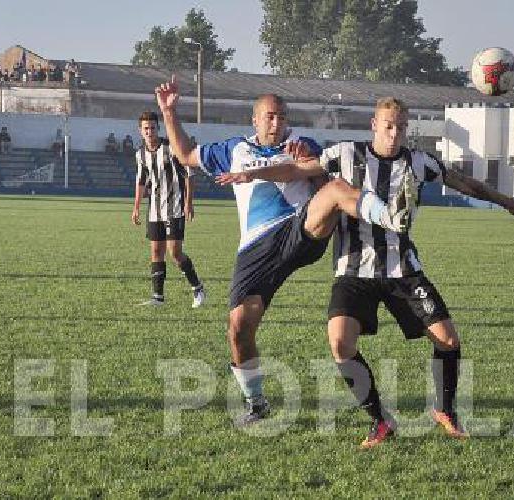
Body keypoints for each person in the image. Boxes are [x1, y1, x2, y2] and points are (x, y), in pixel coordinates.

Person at [218, 97, 514, 448]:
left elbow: (462, 182)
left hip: (403, 270)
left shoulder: (419, 162)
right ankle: (380, 421)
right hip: (353, 271)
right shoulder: (345, 154)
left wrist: (507, 201)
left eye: (400, 127)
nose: (394, 133)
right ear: (374, 125)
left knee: (448, 340)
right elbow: (294, 169)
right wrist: (252, 173)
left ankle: (445, 411)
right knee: (340, 343)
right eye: (388, 126)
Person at [156, 74, 413, 427]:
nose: (277, 123)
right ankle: (256, 404)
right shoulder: (233, 151)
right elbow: (184, 154)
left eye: (282, 117)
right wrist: (169, 112)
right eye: (270, 116)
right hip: (256, 249)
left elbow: (329, 185)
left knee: (336, 189)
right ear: (255, 119)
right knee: (238, 328)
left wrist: (311, 163)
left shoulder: (301, 144)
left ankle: (388, 215)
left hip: (299, 230)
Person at [132, 111, 206, 308]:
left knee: (175, 253)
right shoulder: (140, 154)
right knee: (156, 251)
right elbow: (141, 181)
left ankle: (197, 287)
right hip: (155, 209)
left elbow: (189, 174)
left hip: (175, 207)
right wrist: (136, 207)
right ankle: (158, 297)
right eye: (145, 128)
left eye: (153, 128)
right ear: (140, 131)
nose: (149, 131)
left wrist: (189, 202)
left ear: (158, 128)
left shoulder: (171, 148)